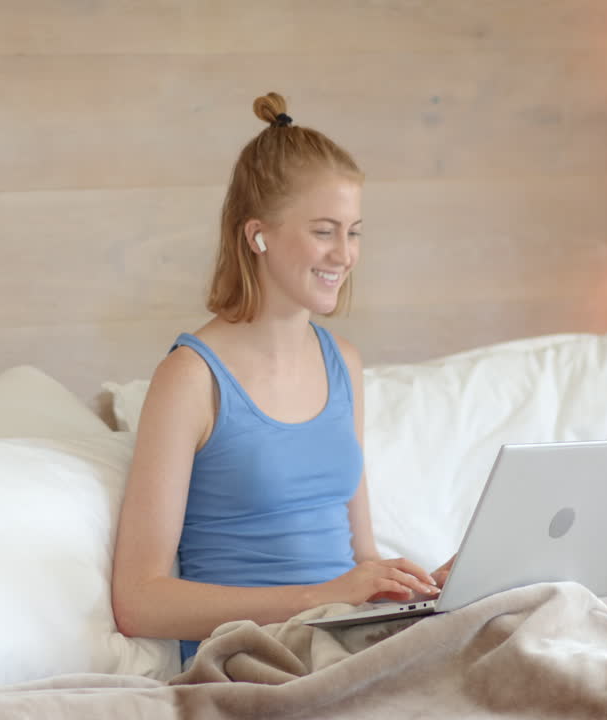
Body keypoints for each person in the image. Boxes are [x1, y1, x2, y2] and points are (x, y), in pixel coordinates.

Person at [111, 92, 453, 666]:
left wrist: (412, 588)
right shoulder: (190, 379)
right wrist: (321, 598)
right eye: (325, 231)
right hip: (256, 657)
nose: (344, 255)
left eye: (355, 232)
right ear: (257, 236)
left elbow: (360, 556)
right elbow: (139, 602)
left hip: (347, 640)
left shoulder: (343, 361)